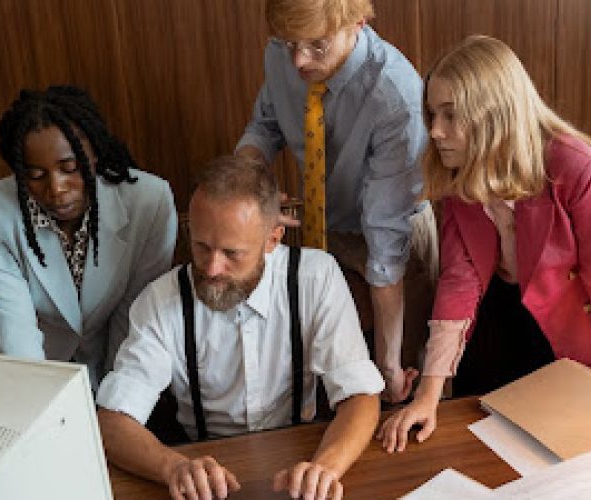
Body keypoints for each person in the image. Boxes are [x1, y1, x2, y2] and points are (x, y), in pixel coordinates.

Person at [378, 36, 591, 452]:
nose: (435, 131)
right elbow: (459, 282)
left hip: (568, 326)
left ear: (494, 114)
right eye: (431, 114)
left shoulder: (581, 167)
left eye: (451, 116)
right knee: (488, 442)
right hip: (496, 313)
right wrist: (427, 394)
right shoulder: (457, 167)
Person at [97, 156, 383, 500]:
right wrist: (172, 467)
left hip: (300, 460)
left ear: (273, 239)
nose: (212, 268)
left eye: (232, 253)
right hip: (206, 476)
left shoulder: (316, 277)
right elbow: (112, 422)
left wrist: (325, 470)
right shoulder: (160, 300)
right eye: (202, 246)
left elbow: (360, 395)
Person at [235, 0, 437, 404]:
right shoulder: (283, 53)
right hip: (322, 227)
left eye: (316, 47)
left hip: (396, 244)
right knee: (333, 381)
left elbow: (385, 254)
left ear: (357, 24)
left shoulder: (395, 96)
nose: (298, 61)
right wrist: (253, 190)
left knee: (400, 393)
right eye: (288, 43)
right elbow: (264, 126)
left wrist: (389, 367)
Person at [0, 85, 177, 386]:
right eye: (36, 176)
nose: (56, 188)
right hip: (25, 373)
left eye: (70, 168)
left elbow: (134, 316)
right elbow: (14, 335)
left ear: (94, 155)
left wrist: (113, 400)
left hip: (111, 360)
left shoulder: (149, 201)